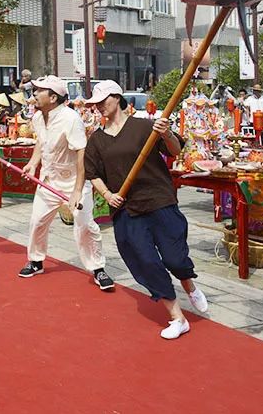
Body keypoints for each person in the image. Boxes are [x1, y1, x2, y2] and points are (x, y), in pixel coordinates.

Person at [83, 80, 208, 340]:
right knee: (145, 261)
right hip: (126, 209)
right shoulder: (96, 140)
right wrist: (108, 195)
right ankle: (177, 318)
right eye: (95, 104)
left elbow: (175, 150)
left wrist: (166, 134)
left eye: (102, 101)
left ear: (117, 98)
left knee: (174, 258)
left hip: (158, 199)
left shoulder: (145, 126)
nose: (99, 107)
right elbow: (93, 173)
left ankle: (188, 282)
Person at [17, 76, 113, 290]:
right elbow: (40, 142)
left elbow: (81, 153)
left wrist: (78, 190)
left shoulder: (71, 119)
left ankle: (98, 268)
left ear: (53, 97)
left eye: (39, 91)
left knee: (85, 224)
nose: (34, 94)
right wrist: (33, 164)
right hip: (49, 179)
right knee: (37, 221)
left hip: (74, 181)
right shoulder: (37, 118)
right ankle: (36, 261)